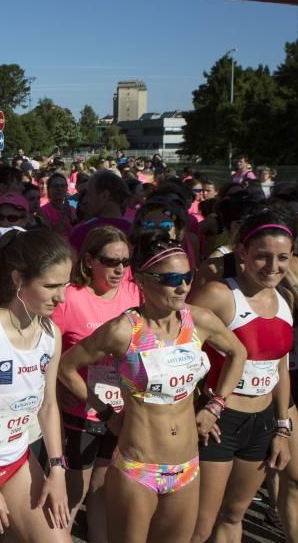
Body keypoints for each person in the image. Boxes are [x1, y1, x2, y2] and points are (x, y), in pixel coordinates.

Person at [59, 230, 246, 543]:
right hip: (137, 467)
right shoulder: (124, 330)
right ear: (143, 280)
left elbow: (239, 352)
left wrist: (216, 406)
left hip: (187, 466)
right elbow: (66, 367)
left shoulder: (198, 320)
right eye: (171, 278)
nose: (183, 286)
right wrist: (106, 413)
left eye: (188, 276)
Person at [0, 229, 72, 541]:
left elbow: (48, 406)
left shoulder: (51, 335)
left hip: (17, 463)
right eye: (51, 286)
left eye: (65, 285)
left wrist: (57, 469)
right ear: (19, 279)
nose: (61, 296)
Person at [188, 212, 297, 542]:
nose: (272, 266)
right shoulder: (219, 295)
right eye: (262, 255)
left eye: (282, 258)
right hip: (221, 422)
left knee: (234, 515)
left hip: (262, 423)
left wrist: (282, 427)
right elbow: (179, 352)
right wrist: (200, 406)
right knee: (201, 524)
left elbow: (280, 368)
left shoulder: (284, 299)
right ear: (242, 252)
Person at [51, 225, 140, 541]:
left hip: (123, 412)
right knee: (76, 492)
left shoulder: (133, 293)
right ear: (89, 260)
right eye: (110, 261)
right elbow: (53, 359)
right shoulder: (71, 298)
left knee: (101, 489)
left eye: (125, 262)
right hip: (82, 412)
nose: (119, 269)